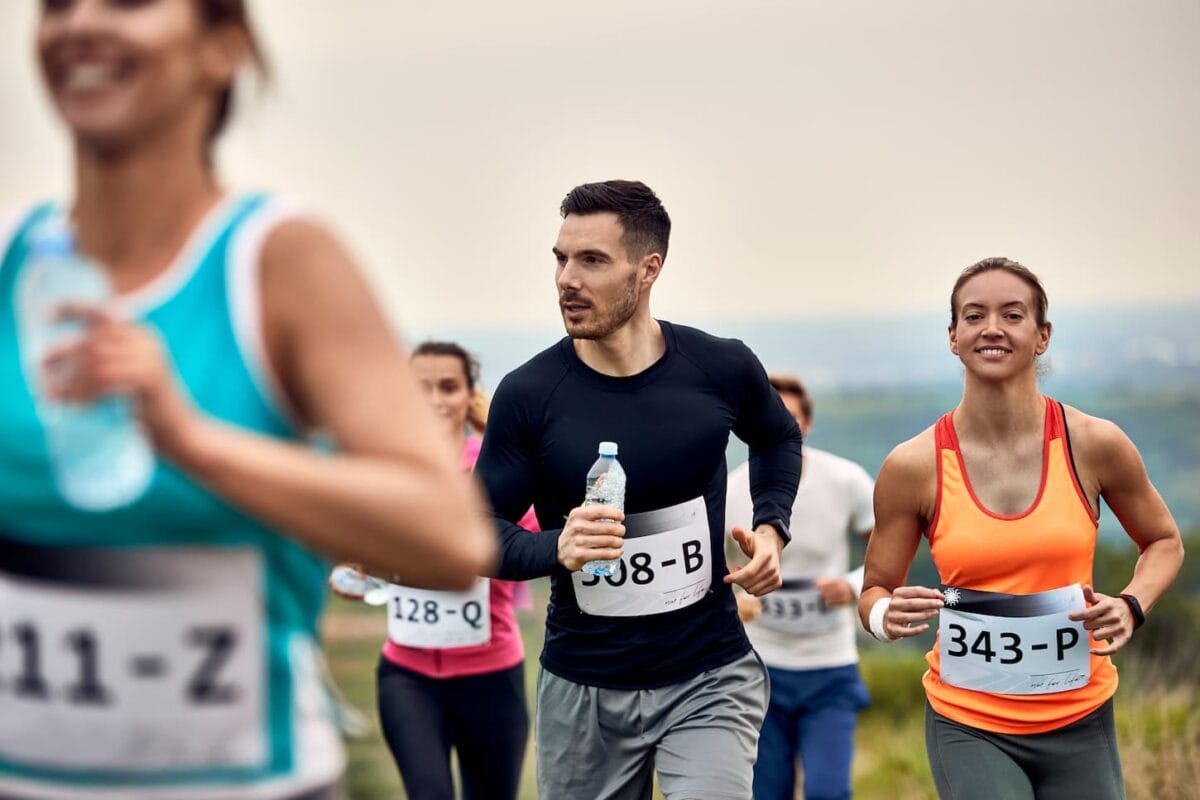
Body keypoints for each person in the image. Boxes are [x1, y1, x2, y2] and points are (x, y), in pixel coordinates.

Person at [0, 2, 495, 798]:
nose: (80, 24)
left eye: (127, 2)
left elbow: (446, 534)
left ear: (222, 47)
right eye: (57, 4)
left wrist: (188, 439)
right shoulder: (10, 260)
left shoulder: (275, 261)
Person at [474, 179, 803, 799]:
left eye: (591, 260)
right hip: (585, 689)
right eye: (560, 258)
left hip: (710, 675)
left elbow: (777, 437)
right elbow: (476, 531)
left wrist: (771, 527)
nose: (567, 279)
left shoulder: (719, 367)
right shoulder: (529, 396)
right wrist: (556, 548)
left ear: (648, 269)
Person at [858, 258, 1185, 800]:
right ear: (953, 337)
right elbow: (873, 590)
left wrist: (1131, 604)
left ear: (1042, 336)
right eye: (974, 315)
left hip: (1080, 715)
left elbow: (1164, 542)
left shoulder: (1094, 444)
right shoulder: (913, 466)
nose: (992, 328)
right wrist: (882, 615)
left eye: (1012, 315)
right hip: (969, 721)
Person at [337, 341, 538, 800]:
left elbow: (526, 545)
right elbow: (357, 541)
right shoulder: (385, 469)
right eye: (420, 388)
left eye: (448, 387)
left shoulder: (498, 468)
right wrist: (354, 569)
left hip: (491, 677)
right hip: (407, 675)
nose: (433, 400)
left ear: (471, 395)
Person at [725, 374, 873, 800]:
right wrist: (733, 599)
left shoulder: (845, 480)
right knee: (767, 792)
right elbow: (706, 566)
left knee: (829, 790)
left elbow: (890, 549)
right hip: (760, 667)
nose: (778, 427)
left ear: (806, 424)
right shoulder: (732, 488)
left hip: (829, 664)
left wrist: (853, 584)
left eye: (788, 419)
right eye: (767, 417)